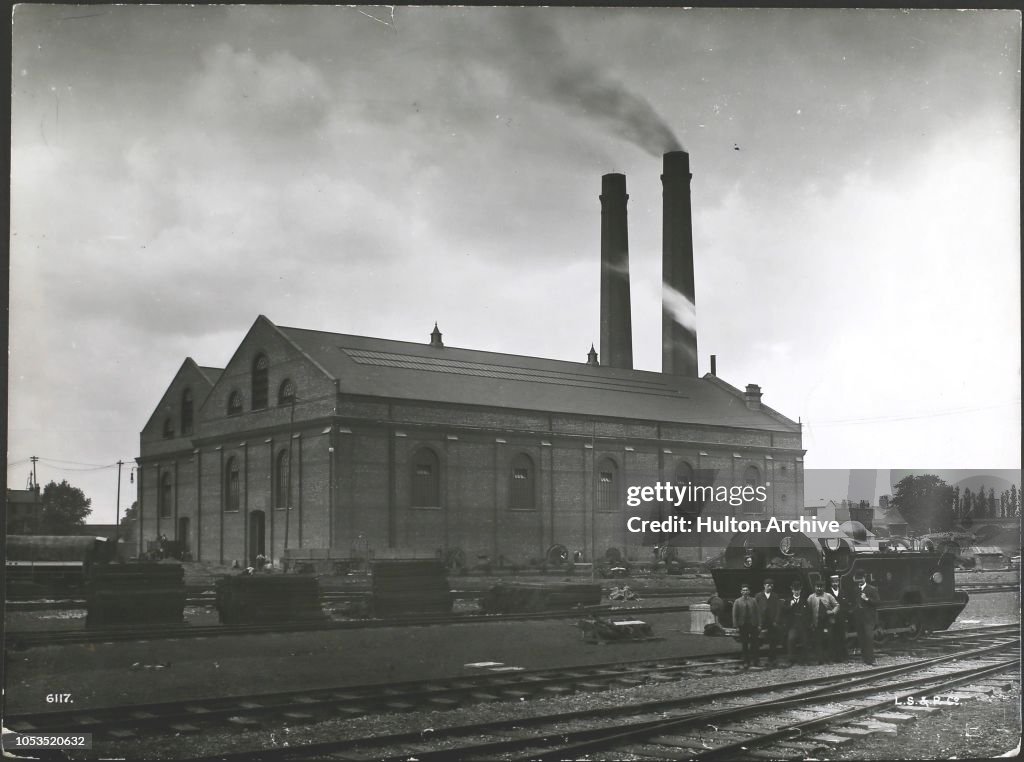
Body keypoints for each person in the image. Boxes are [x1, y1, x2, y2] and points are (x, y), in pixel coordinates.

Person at [852, 571, 881, 665]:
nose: (859, 581)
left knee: (869, 638)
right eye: (858, 579)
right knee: (861, 638)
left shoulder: (872, 589)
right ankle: (865, 658)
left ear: (864, 578)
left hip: (868, 618)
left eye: (861, 578)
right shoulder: (855, 589)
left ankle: (871, 659)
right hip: (859, 618)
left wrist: (867, 599)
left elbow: (877, 602)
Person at [807, 580, 839, 665]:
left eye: (821, 587)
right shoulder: (811, 597)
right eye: (817, 587)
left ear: (823, 588)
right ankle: (820, 659)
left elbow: (837, 605)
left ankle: (828, 659)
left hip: (827, 622)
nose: (819, 588)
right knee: (818, 641)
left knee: (828, 640)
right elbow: (808, 609)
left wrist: (832, 612)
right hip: (817, 623)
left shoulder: (828, 596)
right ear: (815, 587)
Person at [754, 577, 783, 666]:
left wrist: (776, 620)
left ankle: (772, 658)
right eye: (768, 585)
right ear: (764, 586)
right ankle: (756, 659)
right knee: (757, 639)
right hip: (761, 621)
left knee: (773, 640)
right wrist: (757, 622)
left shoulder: (775, 596)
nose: (769, 587)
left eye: (771, 586)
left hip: (772, 621)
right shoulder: (758, 596)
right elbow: (755, 608)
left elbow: (778, 609)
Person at [781, 580, 810, 666]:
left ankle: (803, 660)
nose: (796, 591)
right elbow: (784, 612)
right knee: (791, 640)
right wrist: (790, 605)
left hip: (802, 625)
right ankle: (791, 660)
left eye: (798, 589)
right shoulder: (788, 600)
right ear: (792, 590)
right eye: (795, 589)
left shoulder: (804, 600)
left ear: (800, 590)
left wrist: (807, 624)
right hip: (792, 626)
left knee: (805, 641)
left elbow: (808, 613)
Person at [732, 583, 761, 668]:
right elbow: (734, 615)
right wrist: (736, 626)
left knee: (755, 643)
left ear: (749, 591)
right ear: (741, 592)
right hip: (743, 625)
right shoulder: (737, 601)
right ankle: (746, 662)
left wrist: (759, 624)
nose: (745, 592)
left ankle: (756, 661)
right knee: (744, 644)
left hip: (753, 624)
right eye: (743, 590)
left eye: (747, 590)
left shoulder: (753, 600)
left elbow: (758, 613)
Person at [828, 574, 849, 662]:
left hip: (841, 618)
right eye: (833, 582)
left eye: (836, 582)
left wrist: (845, 617)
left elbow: (845, 605)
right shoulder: (828, 593)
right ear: (831, 583)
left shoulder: (843, 592)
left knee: (842, 638)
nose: (835, 584)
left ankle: (844, 657)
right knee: (833, 638)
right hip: (832, 619)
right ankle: (834, 658)